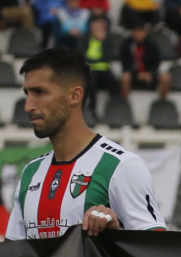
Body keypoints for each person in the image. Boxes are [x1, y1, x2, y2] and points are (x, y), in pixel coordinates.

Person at [6, 47, 165, 239]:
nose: (28, 106)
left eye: (39, 92)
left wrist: (116, 235)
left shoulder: (120, 166)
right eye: (27, 93)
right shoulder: (30, 173)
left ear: (75, 96)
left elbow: (155, 253)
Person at [119, 22, 170, 99]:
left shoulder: (152, 45)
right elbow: (125, 64)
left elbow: (156, 63)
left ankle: (162, 101)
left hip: (149, 74)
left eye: (141, 31)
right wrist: (137, 75)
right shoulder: (126, 45)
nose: (138, 34)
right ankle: (125, 102)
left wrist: (150, 73)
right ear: (132, 32)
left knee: (166, 78)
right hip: (133, 74)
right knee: (124, 78)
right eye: (136, 31)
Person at [83, 16, 117, 106]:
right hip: (89, 69)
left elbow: (108, 56)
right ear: (92, 26)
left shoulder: (108, 40)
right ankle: (92, 110)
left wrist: (103, 41)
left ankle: (112, 108)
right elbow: (82, 56)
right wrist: (98, 60)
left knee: (114, 82)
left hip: (104, 69)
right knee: (92, 82)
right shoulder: (84, 38)